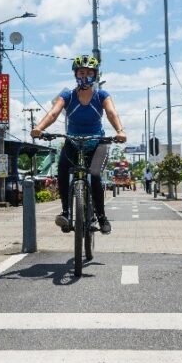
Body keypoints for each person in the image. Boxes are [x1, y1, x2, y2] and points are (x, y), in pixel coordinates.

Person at [31, 54, 126, 234]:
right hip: (73, 142)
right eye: (81, 72)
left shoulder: (101, 95)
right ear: (75, 74)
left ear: (95, 75)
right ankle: (66, 213)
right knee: (62, 170)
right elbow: (53, 113)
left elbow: (112, 113)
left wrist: (120, 131)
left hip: (97, 142)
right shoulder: (67, 95)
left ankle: (101, 217)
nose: (85, 76)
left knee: (95, 175)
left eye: (89, 72)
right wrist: (39, 128)